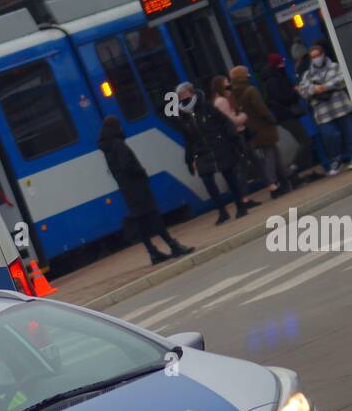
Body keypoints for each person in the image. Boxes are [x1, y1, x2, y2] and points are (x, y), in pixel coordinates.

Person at [99, 115, 195, 265]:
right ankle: (173, 245)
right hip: (137, 188)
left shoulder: (107, 148)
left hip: (127, 191)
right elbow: (127, 165)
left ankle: (153, 252)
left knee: (142, 222)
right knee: (154, 217)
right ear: (116, 128)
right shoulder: (119, 145)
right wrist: (141, 172)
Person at [175, 81, 249, 224]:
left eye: (184, 94)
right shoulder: (183, 116)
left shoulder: (206, 107)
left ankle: (240, 205)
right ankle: (222, 211)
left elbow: (225, 122)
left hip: (219, 146)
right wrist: (189, 159)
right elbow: (188, 139)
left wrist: (233, 139)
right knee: (207, 181)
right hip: (202, 152)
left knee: (230, 176)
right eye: (179, 96)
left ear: (192, 93)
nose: (182, 98)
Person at [296, 42, 352, 175]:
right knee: (331, 135)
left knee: (349, 132)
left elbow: (343, 79)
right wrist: (314, 89)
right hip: (323, 112)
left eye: (318, 55)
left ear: (323, 54)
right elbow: (303, 90)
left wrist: (326, 86)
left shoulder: (335, 67)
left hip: (340, 106)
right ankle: (336, 159)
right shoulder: (308, 74)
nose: (316, 58)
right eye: (313, 56)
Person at [229, 65, 293, 198]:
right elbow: (261, 108)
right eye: (246, 73)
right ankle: (273, 183)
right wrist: (271, 118)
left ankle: (286, 180)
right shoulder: (251, 90)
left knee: (274, 153)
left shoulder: (234, 94)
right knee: (270, 155)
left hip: (251, 129)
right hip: (263, 126)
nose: (249, 75)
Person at [261, 53, 314, 176]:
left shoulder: (275, 77)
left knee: (305, 141)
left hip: (285, 115)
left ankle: (298, 167)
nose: (283, 63)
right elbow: (282, 98)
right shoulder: (275, 80)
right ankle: (293, 167)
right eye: (281, 61)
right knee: (306, 141)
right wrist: (295, 92)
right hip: (286, 115)